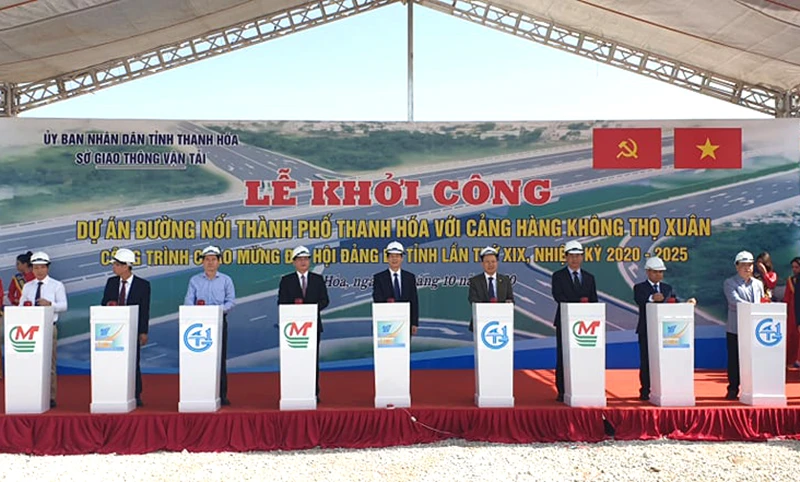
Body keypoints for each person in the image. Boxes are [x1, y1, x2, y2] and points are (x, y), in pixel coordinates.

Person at [633, 256, 697, 401]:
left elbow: (674, 301)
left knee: (664, 361)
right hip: (646, 330)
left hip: (666, 332)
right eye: (655, 272)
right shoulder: (640, 287)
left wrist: (686, 303)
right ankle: (645, 390)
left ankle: (663, 389)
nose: (658, 275)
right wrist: (651, 298)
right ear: (648, 272)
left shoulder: (667, 288)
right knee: (646, 361)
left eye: (661, 272)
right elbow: (639, 300)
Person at [184, 245, 236, 406]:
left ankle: (221, 394)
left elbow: (231, 301)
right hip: (198, 324)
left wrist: (216, 311)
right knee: (199, 358)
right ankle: (200, 392)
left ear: (219, 262)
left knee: (219, 359)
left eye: (213, 259)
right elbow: (188, 301)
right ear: (202, 262)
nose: (210, 263)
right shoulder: (195, 280)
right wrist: (198, 312)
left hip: (219, 321)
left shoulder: (226, 280)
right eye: (207, 259)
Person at [278, 245, 329, 402]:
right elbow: (281, 302)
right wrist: (295, 310)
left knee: (312, 360)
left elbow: (325, 300)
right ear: (294, 262)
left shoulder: (317, 279)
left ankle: (313, 392)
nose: (303, 262)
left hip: (312, 327)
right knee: (294, 360)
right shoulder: (286, 280)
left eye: (306, 259)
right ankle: (293, 390)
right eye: (300, 259)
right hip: (292, 329)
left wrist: (310, 309)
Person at [100, 248, 151, 407]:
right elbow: (104, 303)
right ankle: (114, 390)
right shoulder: (111, 282)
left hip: (132, 329)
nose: (113, 267)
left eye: (116, 264)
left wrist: (143, 331)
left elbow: (144, 310)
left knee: (133, 362)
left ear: (126, 266)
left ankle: (136, 393)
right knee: (113, 362)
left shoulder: (143, 285)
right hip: (113, 331)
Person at [18, 251, 68, 408]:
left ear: (48, 268)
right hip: (29, 329)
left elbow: (64, 306)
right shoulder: (28, 286)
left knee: (49, 363)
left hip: (48, 327)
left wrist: (50, 304)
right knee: (30, 363)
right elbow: (21, 305)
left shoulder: (56, 285)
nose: (39, 271)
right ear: (32, 269)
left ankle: (50, 396)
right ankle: (31, 393)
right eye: (36, 267)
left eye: (42, 267)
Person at [551, 240, 598, 402]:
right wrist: (578, 304)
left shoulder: (590, 278)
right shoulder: (558, 276)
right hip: (565, 321)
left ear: (582, 257)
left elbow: (593, 300)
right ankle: (562, 390)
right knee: (563, 356)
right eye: (571, 256)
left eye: (578, 256)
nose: (575, 259)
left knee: (584, 356)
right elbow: (558, 296)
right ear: (566, 257)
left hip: (586, 325)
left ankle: (584, 387)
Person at [723, 250, 765, 400]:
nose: (747, 268)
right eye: (743, 265)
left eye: (750, 265)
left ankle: (752, 388)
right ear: (737, 266)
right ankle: (733, 388)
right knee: (734, 360)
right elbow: (734, 302)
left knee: (753, 360)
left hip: (755, 330)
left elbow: (762, 301)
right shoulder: (729, 283)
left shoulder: (758, 284)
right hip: (736, 329)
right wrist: (754, 308)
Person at [372, 241, 419, 335]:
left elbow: (414, 301)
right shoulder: (379, 278)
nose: (394, 259)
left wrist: (414, 323)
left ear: (401, 258)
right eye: (391, 256)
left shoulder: (409, 277)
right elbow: (377, 298)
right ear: (387, 258)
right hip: (386, 323)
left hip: (405, 323)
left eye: (397, 256)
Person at [467, 246, 514, 332]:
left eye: (493, 261)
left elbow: (510, 299)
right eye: (487, 262)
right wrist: (489, 311)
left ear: (497, 263)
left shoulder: (505, 280)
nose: (490, 264)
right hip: (481, 323)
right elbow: (473, 300)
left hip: (502, 324)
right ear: (482, 264)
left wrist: (508, 304)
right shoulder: (475, 281)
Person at [783, 257, 800, 368]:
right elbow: (787, 298)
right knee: (792, 336)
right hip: (793, 313)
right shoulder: (791, 280)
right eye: (793, 267)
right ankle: (791, 360)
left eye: (797, 267)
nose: (794, 269)